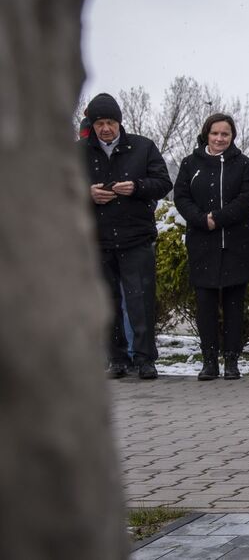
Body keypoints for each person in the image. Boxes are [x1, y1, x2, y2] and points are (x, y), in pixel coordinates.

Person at [81, 93, 172, 379]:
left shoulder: (142, 147)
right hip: (97, 239)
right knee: (106, 303)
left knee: (140, 300)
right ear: (92, 125)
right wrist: (88, 194)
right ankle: (117, 359)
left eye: (110, 122)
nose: (105, 128)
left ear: (120, 122)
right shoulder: (78, 152)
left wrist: (135, 187)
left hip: (136, 237)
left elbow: (163, 183)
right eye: (99, 123)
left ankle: (145, 359)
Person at [174, 113, 249, 380]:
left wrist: (218, 218)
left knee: (235, 306)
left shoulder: (244, 164)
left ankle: (232, 361)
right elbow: (181, 197)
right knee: (206, 306)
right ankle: (209, 360)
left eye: (226, 134)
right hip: (202, 244)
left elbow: (247, 198)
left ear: (232, 137)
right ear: (206, 134)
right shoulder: (190, 164)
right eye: (215, 133)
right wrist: (201, 220)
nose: (220, 138)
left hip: (236, 245)